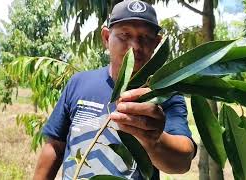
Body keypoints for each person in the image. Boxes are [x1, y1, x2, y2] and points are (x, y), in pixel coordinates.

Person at [34, 0, 196, 179]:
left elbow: (183, 160)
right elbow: (55, 146)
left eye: (145, 38)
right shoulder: (78, 83)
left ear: (157, 43)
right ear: (106, 37)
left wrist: (155, 141)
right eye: (125, 35)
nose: (135, 46)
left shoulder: (165, 95)